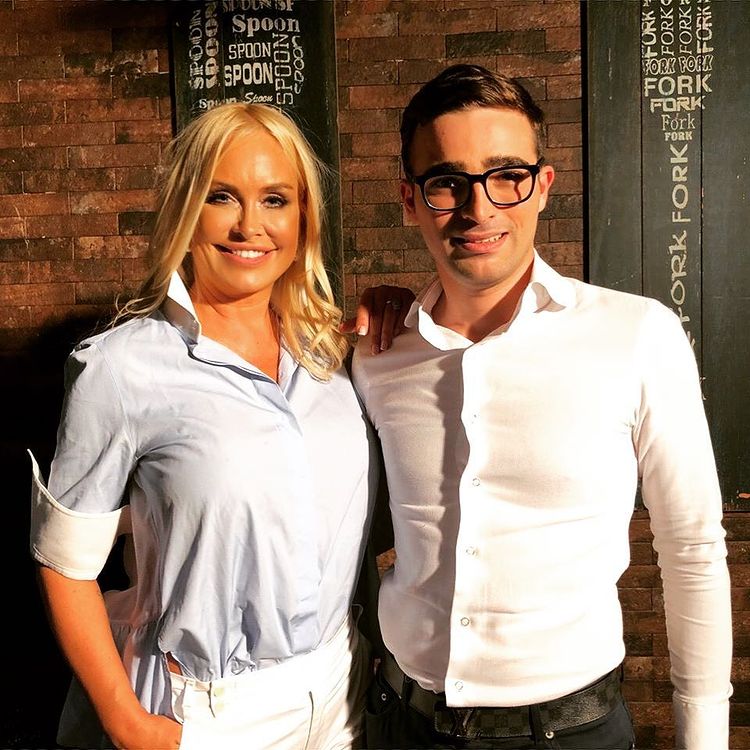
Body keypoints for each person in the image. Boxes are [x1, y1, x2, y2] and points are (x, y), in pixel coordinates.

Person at [352, 64, 732, 750]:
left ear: (543, 185)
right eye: (448, 182)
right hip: (401, 723)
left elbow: (693, 548)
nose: (479, 208)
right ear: (411, 200)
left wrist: (703, 737)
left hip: (570, 733)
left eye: (507, 175)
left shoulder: (637, 335)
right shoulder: (375, 353)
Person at [29, 101, 410, 750]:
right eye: (221, 196)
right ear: (186, 206)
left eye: (274, 200)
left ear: (303, 218)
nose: (249, 225)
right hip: (210, 711)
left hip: (339, 692)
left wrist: (394, 307)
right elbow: (64, 563)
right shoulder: (122, 368)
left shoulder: (332, 353)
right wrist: (126, 722)